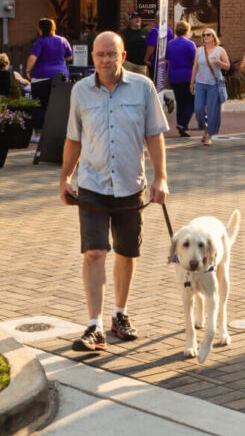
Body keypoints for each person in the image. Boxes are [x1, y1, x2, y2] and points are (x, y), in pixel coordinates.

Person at [60, 31, 169, 351]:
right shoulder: (80, 91)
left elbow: (154, 136)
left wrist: (160, 177)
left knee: (126, 252)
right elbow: (73, 139)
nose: (105, 60)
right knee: (94, 251)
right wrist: (65, 178)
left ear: (122, 56)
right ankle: (93, 325)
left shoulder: (143, 87)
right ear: (92, 57)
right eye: (99, 55)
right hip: (92, 186)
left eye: (111, 54)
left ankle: (119, 314)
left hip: (130, 185)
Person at [25, 18, 73, 138]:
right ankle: (58, 133)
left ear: (40, 29)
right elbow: (69, 57)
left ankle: (39, 133)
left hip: (41, 78)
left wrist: (27, 70)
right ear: (53, 28)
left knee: (39, 105)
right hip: (60, 77)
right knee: (58, 106)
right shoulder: (63, 40)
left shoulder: (40, 42)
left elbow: (32, 58)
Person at [191, 28, 229, 146]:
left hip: (214, 85)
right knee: (198, 109)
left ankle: (209, 135)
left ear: (213, 37)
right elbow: (195, 67)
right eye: (204, 35)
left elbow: (227, 66)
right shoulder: (199, 50)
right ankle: (205, 126)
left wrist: (218, 62)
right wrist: (192, 82)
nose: (206, 36)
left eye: (208, 34)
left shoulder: (220, 50)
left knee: (213, 111)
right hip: (200, 83)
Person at [167, 21, 198, 136]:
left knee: (180, 101)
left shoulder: (170, 44)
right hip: (187, 75)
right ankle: (183, 124)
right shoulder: (189, 44)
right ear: (187, 31)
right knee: (192, 100)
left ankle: (181, 124)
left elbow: (167, 57)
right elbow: (195, 60)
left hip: (174, 75)